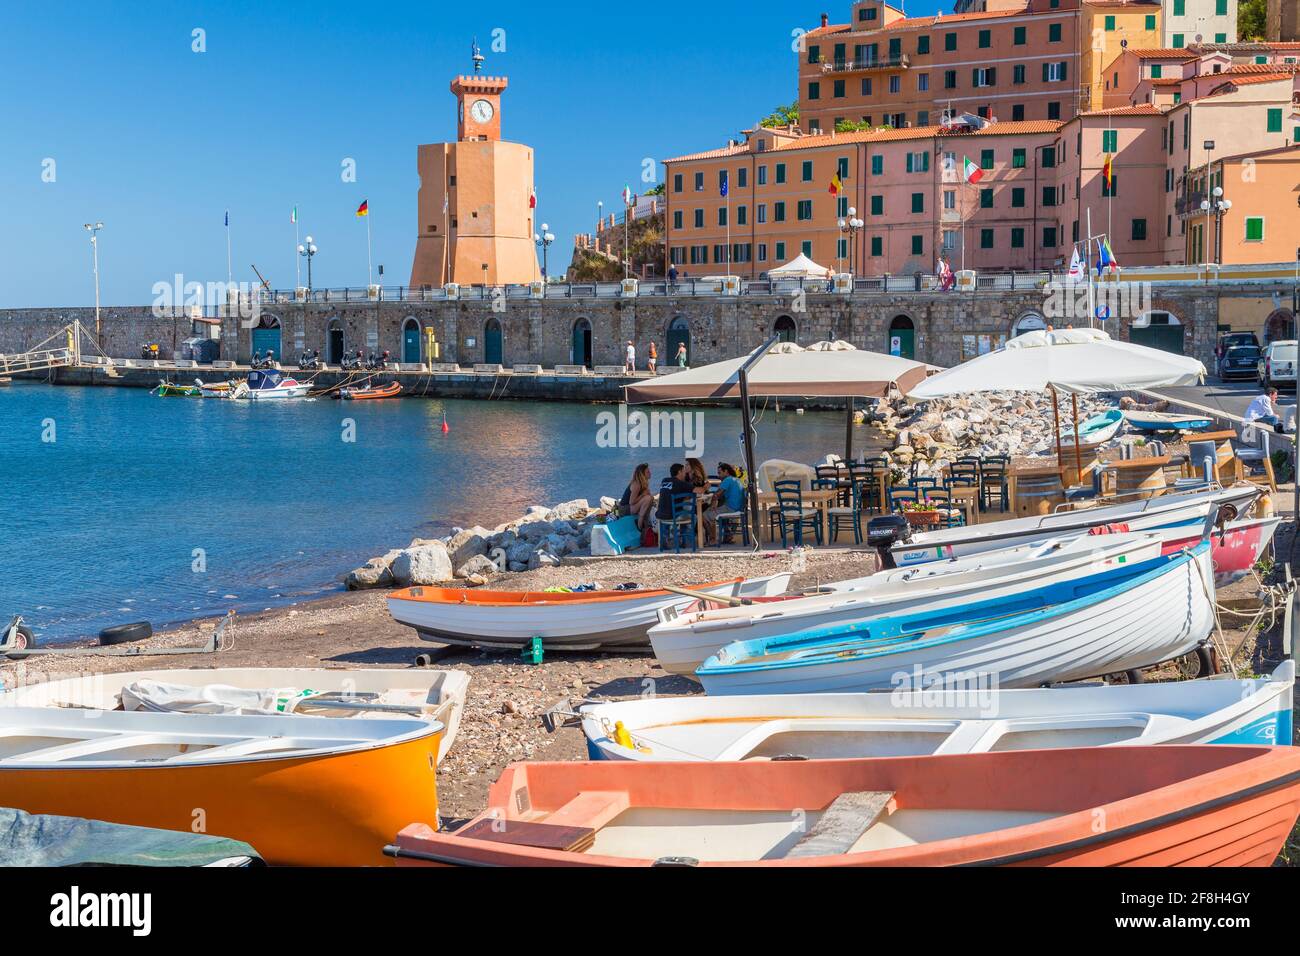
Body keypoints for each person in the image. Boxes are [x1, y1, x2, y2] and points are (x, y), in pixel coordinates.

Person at [705, 462, 747, 545]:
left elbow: (717, 494)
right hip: (739, 509)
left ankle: (712, 540)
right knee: (719, 510)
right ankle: (727, 537)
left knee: (704, 515)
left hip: (731, 509)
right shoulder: (736, 479)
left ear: (726, 472)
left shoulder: (727, 480)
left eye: (720, 473)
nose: (718, 475)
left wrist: (712, 504)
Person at [655, 463, 696, 527]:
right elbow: (699, 490)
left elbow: (672, 491)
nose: (685, 474)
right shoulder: (680, 483)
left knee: (673, 512)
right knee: (694, 516)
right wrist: (706, 486)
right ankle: (685, 535)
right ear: (679, 472)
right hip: (672, 516)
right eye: (684, 472)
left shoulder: (664, 480)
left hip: (660, 515)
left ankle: (666, 535)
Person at [618, 463, 655, 529]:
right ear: (642, 474)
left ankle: (646, 521)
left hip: (631, 507)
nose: (650, 473)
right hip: (624, 509)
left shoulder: (643, 483)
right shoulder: (636, 484)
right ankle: (640, 524)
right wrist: (643, 495)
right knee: (648, 498)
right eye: (648, 472)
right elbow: (631, 502)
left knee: (651, 498)